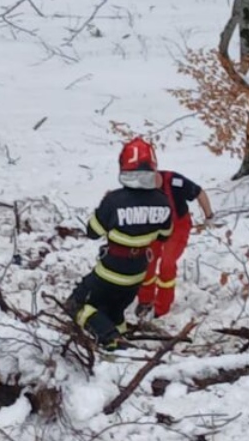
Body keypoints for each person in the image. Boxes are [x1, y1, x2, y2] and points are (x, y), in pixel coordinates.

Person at [63, 137, 175, 350]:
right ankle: (120, 348)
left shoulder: (114, 200)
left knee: (75, 305)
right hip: (138, 273)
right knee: (114, 312)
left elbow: (93, 232)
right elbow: (164, 235)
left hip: (110, 271)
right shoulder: (163, 201)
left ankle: (110, 338)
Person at [135, 152, 215, 320]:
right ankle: (145, 301)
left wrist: (209, 217)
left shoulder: (175, 181)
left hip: (178, 226)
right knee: (146, 262)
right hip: (154, 227)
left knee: (167, 264)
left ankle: (162, 307)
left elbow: (199, 193)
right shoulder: (138, 190)